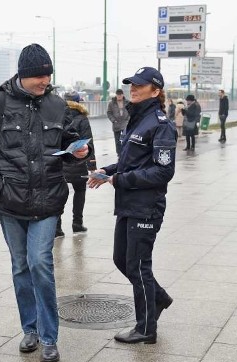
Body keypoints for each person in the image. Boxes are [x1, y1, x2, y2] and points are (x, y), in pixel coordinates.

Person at [0, 43, 91, 362]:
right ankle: (30, 329)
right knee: (21, 266)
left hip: (48, 200)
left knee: (40, 264)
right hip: (10, 202)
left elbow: (68, 145)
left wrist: (79, 152)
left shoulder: (56, 105)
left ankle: (50, 337)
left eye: (48, 75)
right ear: (23, 75)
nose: (45, 81)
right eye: (39, 76)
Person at [88, 66, 176, 345]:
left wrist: (119, 178)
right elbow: (131, 163)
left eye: (139, 86)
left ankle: (146, 329)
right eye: (130, 85)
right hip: (128, 203)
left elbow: (163, 172)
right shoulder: (137, 121)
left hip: (146, 205)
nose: (132, 90)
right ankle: (158, 297)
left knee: (138, 267)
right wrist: (108, 171)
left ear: (156, 90)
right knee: (121, 259)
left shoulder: (160, 124)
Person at [55, 91, 96, 237]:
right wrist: (92, 166)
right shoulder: (82, 118)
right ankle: (77, 224)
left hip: (61, 161)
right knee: (80, 192)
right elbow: (88, 142)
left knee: (58, 195)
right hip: (79, 161)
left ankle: (57, 228)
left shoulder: (57, 115)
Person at [107, 88, 130, 155]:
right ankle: (119, 154)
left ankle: (125, 152)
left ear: (123, 95)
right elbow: (109, 113)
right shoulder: (111, 103)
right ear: (116, 95)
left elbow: (131, 111)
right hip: (116, 124)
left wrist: (128, 119)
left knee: (125, 139)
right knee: (117, 141)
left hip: (125, 124)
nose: (119, 96)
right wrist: (113, 120)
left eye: (120, 95)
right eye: (118, 95)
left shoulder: (127, 102)